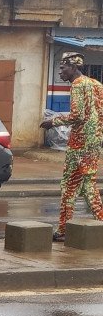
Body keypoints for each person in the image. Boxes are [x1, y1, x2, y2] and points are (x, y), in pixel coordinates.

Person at [40, 51, 103, 241]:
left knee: (69, 185)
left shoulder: (77, 85)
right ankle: (98, 222)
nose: (60, 72)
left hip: (79, 143)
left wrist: (54, 121)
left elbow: (78, 116)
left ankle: (63, 229)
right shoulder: (96, 84)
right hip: (94, 142)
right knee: (87, 185)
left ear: (73, 67)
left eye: (63, 67)